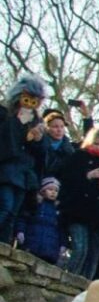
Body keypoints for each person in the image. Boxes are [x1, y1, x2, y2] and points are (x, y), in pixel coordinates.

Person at [56, 126, 99, 277]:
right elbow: (67, 180)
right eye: (96, 144)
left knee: (92, 256)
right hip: (77, 211)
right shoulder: (79, 157)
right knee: (80, 248)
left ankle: (84, 284)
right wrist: (87, 176)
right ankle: (68, 278)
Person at [0, 74, 46, 246]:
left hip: (23, 174)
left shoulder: (36, 121)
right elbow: (6, 141)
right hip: (5, 170)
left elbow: (40, 153)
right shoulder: (5, 114)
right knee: (5, 206)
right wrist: (18, 123)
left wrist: (38, 139)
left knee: (13, 212)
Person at [16, 176, 64, 264]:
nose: (53, 192)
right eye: (50, 189)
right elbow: (23, 219)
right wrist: (20, 231)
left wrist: (62, 244)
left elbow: (61, 229)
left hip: (50, 250)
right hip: (31, 244)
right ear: (43, 190)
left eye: (56, 190)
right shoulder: (34, 204)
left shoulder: (58, 210)